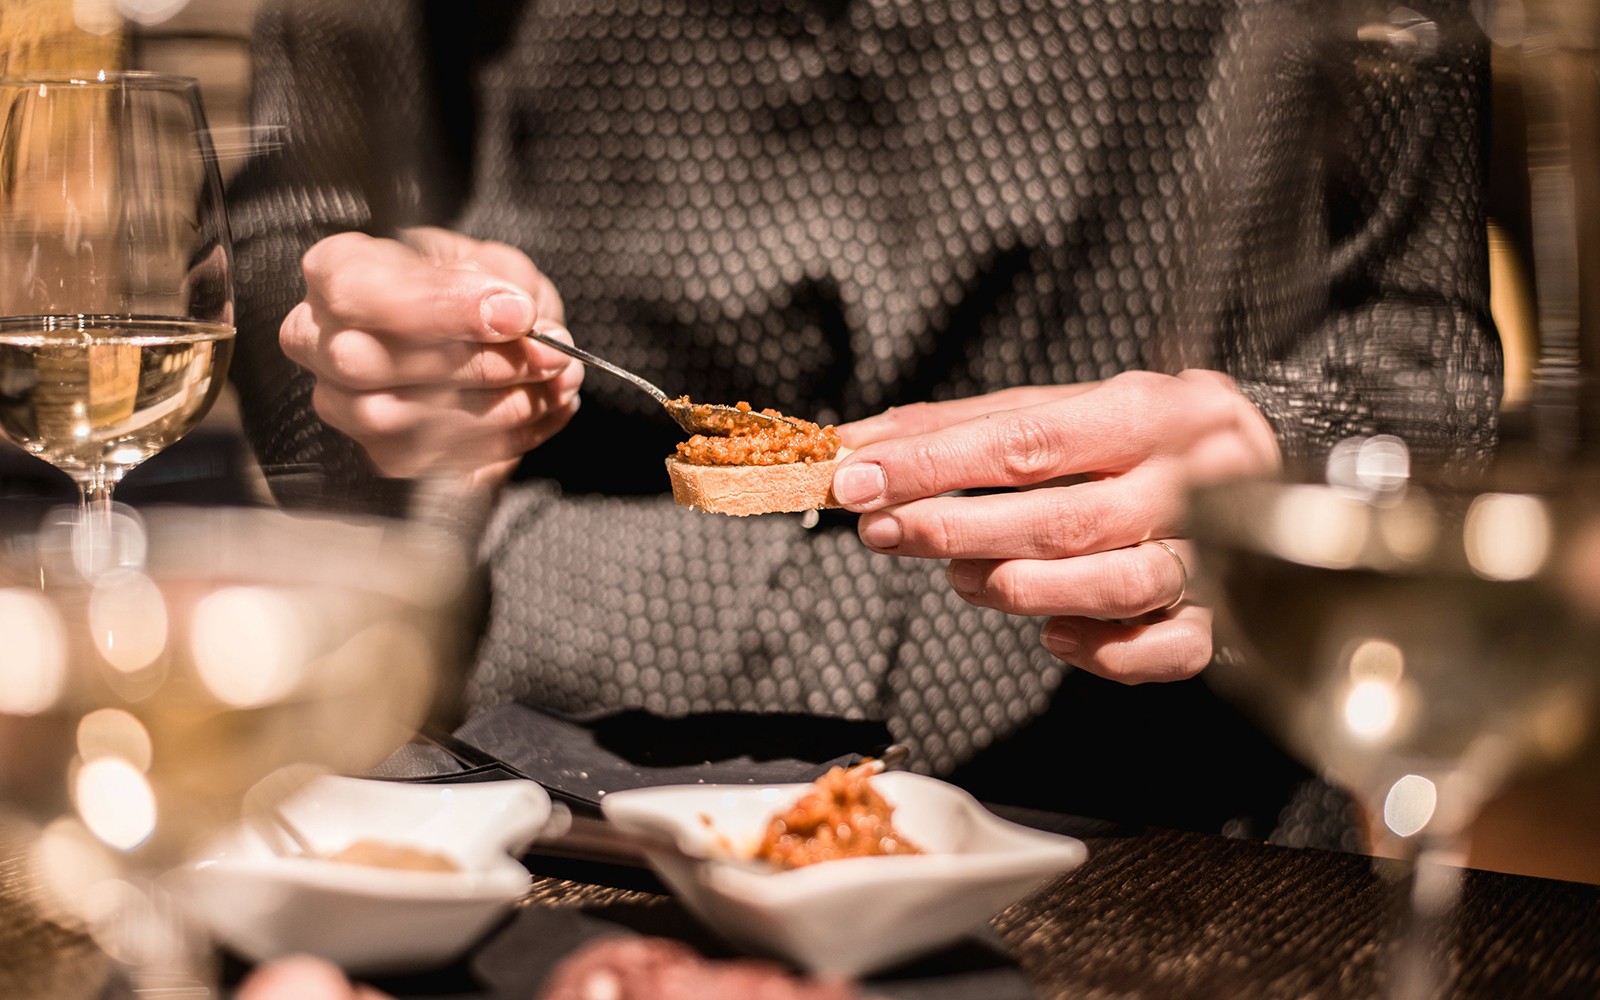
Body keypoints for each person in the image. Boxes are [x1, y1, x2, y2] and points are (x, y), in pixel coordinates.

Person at [226, 0, 1499, 841]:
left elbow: (1420, 345)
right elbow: (306, 220)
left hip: (1169, 791)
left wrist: (1275, 457)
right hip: (530, 785)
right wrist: (375, 355)